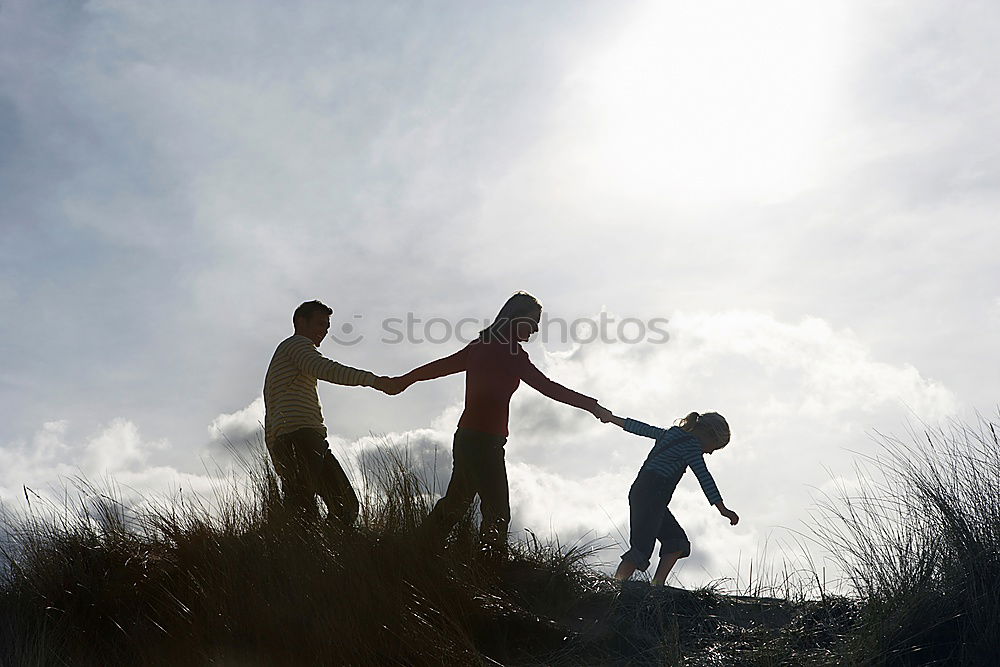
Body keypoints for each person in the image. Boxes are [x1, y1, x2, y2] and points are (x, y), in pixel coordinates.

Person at [392, 292, 612, 557]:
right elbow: (548, 388)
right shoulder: (509, 351)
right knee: (496, 512)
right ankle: (489, 565)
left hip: (469, 438)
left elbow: (439, 367)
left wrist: (404, 380)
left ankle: (414, 550)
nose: (536, 328)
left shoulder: (481, 344)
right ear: (516, 317)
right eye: (534, 320)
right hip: (483, 442)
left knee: (457, 504)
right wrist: (592, 406)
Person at [263, 300, 397, 525]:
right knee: (312, 509)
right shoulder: (297, 345)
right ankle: (301, 554)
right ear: (300, 322)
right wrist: (374, 381)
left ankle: (319, 552)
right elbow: (327, 369)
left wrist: (274, 449)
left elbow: (270, 411)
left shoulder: (286, 356)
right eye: (319, 324)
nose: (323, 331)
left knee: (338, 507)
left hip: (297, 440)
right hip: (301, 438)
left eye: (326, 327)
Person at [601, 410, 739, 585]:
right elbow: (705, 477)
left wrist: (612, 418)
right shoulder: (692, 446)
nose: (710, 452)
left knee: (676, 540)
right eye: (714, 446)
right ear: (708, 436)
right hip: (652, 494)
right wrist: (723, 509)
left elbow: (642, 428)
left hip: (645, 494)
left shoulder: (670, 434)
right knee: (641, 549)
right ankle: (615, 586)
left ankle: (657, 585)